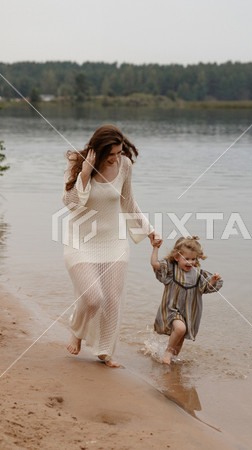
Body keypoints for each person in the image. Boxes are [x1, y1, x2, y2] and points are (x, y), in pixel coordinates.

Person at [63, 124, 159, 367]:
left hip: (114, 243)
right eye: (112, 154)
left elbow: (129, 203)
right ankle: (77, 330)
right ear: (97, 150)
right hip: (80, 241)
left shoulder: (124, 165)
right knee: (93, 297)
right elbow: (71, 203)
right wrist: (85, 173)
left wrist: (149, 230)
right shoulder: (78, 161)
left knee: (112, 299)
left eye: (119, 152)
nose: (117, 158)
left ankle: (105, 352)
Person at [151, 236, 223, 365]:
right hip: (173, 309)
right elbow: (155, 264)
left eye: (193, 259)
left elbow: (207, 288)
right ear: (177, 257)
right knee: (180, 329)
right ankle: (168, 352)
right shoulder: (171, 270)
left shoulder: (198, 274)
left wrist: (213, 280)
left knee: (180, 339)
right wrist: (155, 248)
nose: (190, 262)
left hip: (190, 312)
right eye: (186, 259)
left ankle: (171, 360)